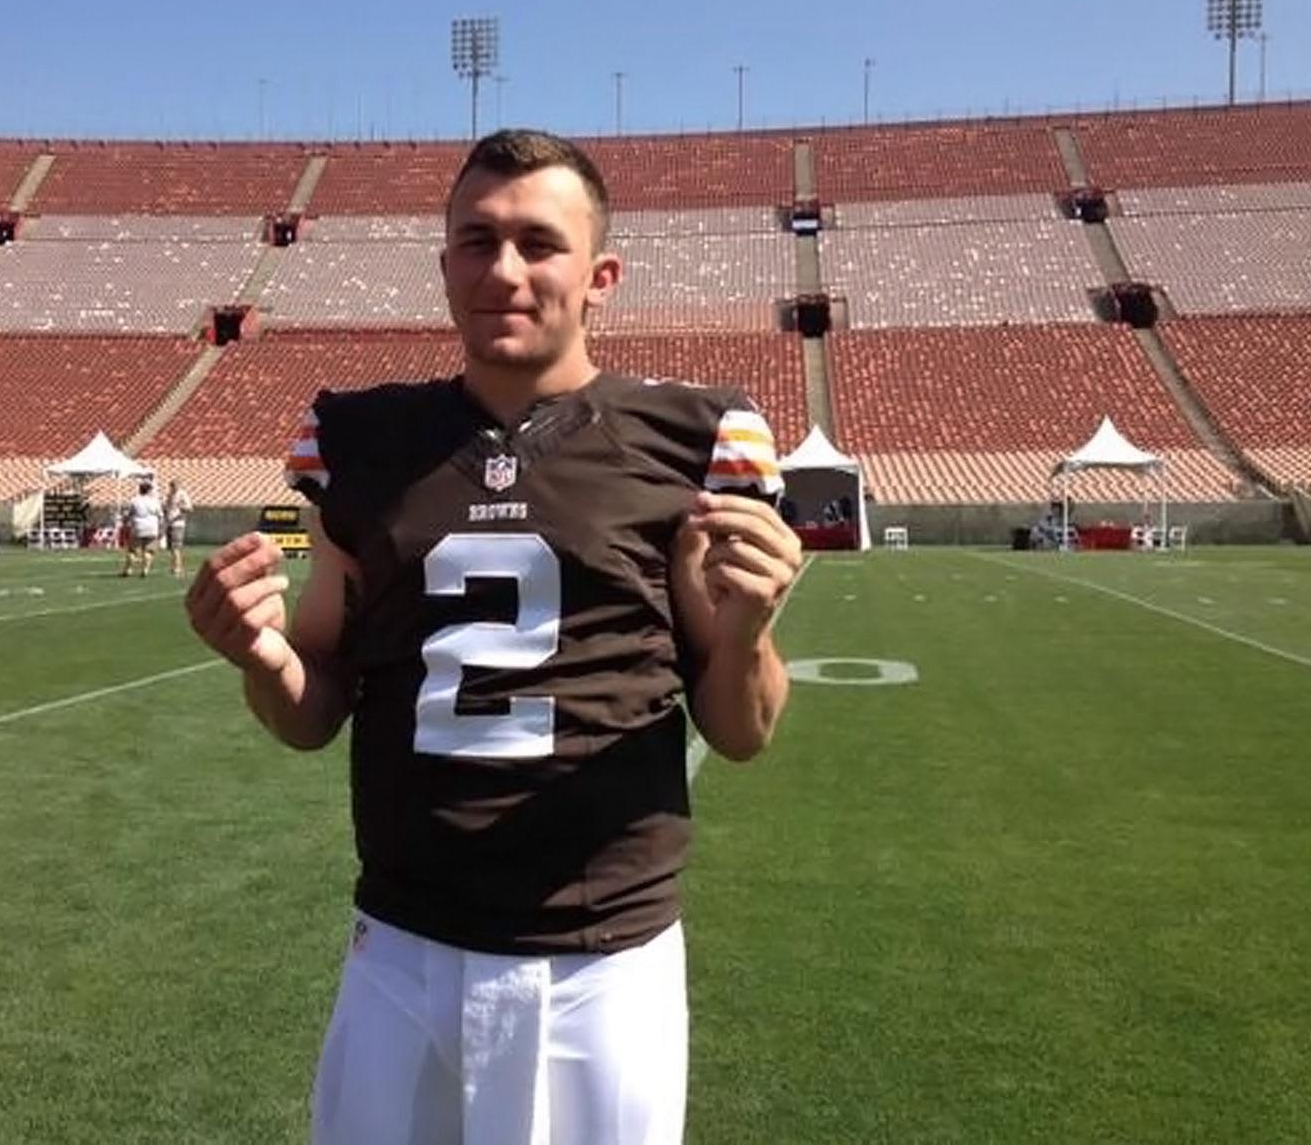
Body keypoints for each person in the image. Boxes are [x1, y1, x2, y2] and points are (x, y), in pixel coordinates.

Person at [185, 129, 803, 1145]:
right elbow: (312, 711)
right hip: (399, 939)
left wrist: (748, 633)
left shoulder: (693, 438)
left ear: (600, 274)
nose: (503, 270)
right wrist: (260, 657)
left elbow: (741, 731)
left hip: (599, 954)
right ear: (444, 266)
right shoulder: (358, 441)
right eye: (476, 241)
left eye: (537, 243)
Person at [120, 478, 161, 578]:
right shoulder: (155, 501)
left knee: (132, 550)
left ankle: (128, 569)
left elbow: (128, 513)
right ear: (149, 490)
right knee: (149, 550)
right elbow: (160, 515)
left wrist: (125, 522)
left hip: (138, 526)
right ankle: (145, 570)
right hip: (152, 527)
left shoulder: (134, 500)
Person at [162, 478, 193, 578]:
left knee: (176, 546)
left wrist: (181, 508)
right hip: (170, 523)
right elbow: (166, 507)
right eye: (172, 486)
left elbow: (189, 508)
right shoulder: (169, 495)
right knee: (171, 547)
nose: (173, 488)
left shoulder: (182, 495)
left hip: (178, 523)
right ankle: (175, 565)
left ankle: (177, 568)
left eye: (175, 485)